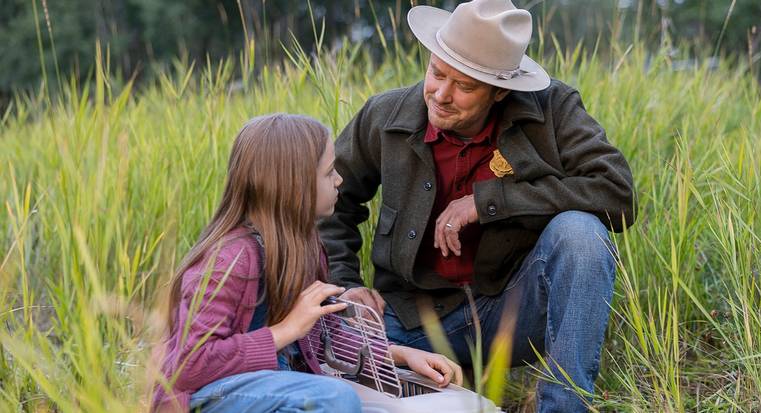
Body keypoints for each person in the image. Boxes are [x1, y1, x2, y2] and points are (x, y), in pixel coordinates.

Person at [318, 1, 636, 411]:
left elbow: (616, 194)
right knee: (320, 349)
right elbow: (328, 204)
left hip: (511, 309)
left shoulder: (552, 110)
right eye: (436, 73)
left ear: (501, 90)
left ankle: (562, 406)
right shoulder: (385, 114)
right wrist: (346, 282)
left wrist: (490, 201)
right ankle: (452, 380)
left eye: (465, 87)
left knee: (581, 233)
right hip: (409, 316)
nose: (442, 95)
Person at [152, 114, 462, 413]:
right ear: (293, 186)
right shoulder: (229, 260)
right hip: (208, 396)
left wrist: (399, 354)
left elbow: (327, 335)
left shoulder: (306, 246)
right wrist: (285, 330)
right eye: (329, 173)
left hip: (276, 386)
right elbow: (189, 365)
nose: (340, 179)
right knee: (333, 399)